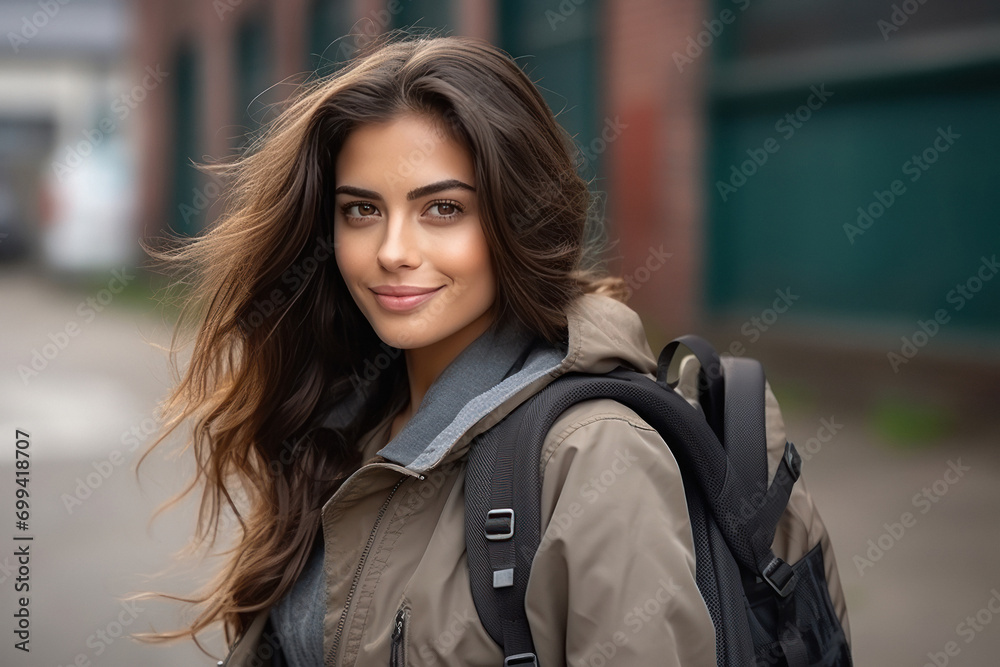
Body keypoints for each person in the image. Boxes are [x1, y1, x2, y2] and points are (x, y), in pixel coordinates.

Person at [135, 32, 848, 667]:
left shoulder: (595, 455)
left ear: (517, 217)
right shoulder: (347, 418)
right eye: (362, 210)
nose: (392, 251)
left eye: (443, 208)